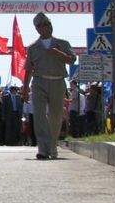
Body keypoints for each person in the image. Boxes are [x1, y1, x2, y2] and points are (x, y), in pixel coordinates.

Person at [22, 12, 76, 160]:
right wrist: (25, 89)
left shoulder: (62, 44)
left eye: (48, 24)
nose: (46, 27)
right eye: (42, 25)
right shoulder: (33, 48)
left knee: (56, 116)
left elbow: (72, 60)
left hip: (58, 81)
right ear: (37, 29)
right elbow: (28, 70)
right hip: (39, 82)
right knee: (39, 115)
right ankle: (43, 149)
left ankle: (52, 147)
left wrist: (59, 53)